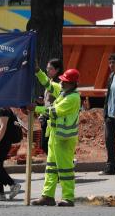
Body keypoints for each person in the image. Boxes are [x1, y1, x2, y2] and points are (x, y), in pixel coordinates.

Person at [31, 68, 81, 206]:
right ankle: (47, 195)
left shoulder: (73, 98)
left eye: (65, 81)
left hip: (65, 138)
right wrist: (38, 71)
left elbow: (54, 112)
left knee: (65, 169)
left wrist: (35, 108)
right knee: (51, 167)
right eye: (62, 81)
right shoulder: (64, 92)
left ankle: (68, 197)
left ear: (72, 84)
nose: (62, 83)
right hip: (55, 135)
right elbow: (48, 84)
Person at [36, 58, 63, 155]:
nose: (47, 70)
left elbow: (56, 102)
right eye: (47, 68)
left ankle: (64, 161)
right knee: (46, 145)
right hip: (45, 116)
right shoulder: (51, 81)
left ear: (57, 70)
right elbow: (47, 99)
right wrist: (41, 100)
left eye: (50, 68)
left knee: (47, 144)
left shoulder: (59, 84)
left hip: (52, 117)